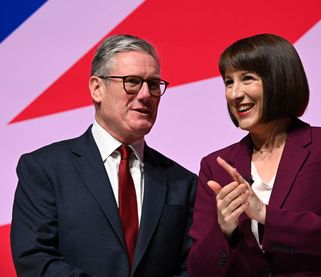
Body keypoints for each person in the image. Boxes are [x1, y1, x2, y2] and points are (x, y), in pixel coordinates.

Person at [11, 34, 197, 277]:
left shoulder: (183, 182)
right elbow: (34, 259)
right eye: (132, 82)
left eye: (153, 84)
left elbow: (191, 268)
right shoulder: (44, 168)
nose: (145, 95)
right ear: (97, 88)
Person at [188, 34, 321, 276]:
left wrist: (264, 214)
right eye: (229, 82)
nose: (234, 94)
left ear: (279, 80)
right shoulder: (215, 166)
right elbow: (200, 271)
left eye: (247, 79)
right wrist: (225, 230)